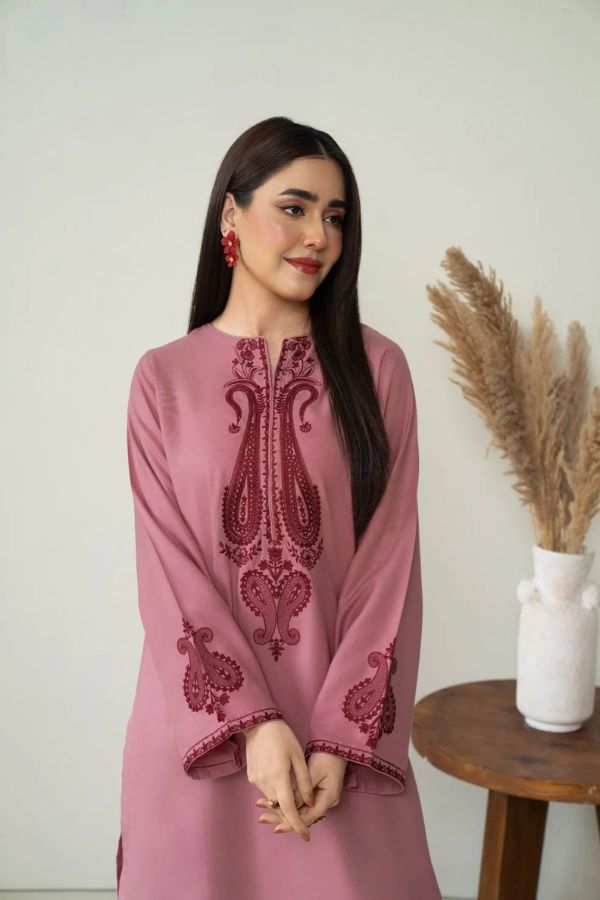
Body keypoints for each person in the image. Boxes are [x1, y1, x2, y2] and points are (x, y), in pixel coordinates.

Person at [116, 115, 442, 899]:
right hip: (201, 736)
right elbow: (171, 578)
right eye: (293, 207)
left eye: (335, 216)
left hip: (344, 750)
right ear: (231, 216)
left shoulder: (378, 369)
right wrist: (255, 728)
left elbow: (388, 568)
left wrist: (340, 741)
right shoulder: (161, 380)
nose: (318, 236)